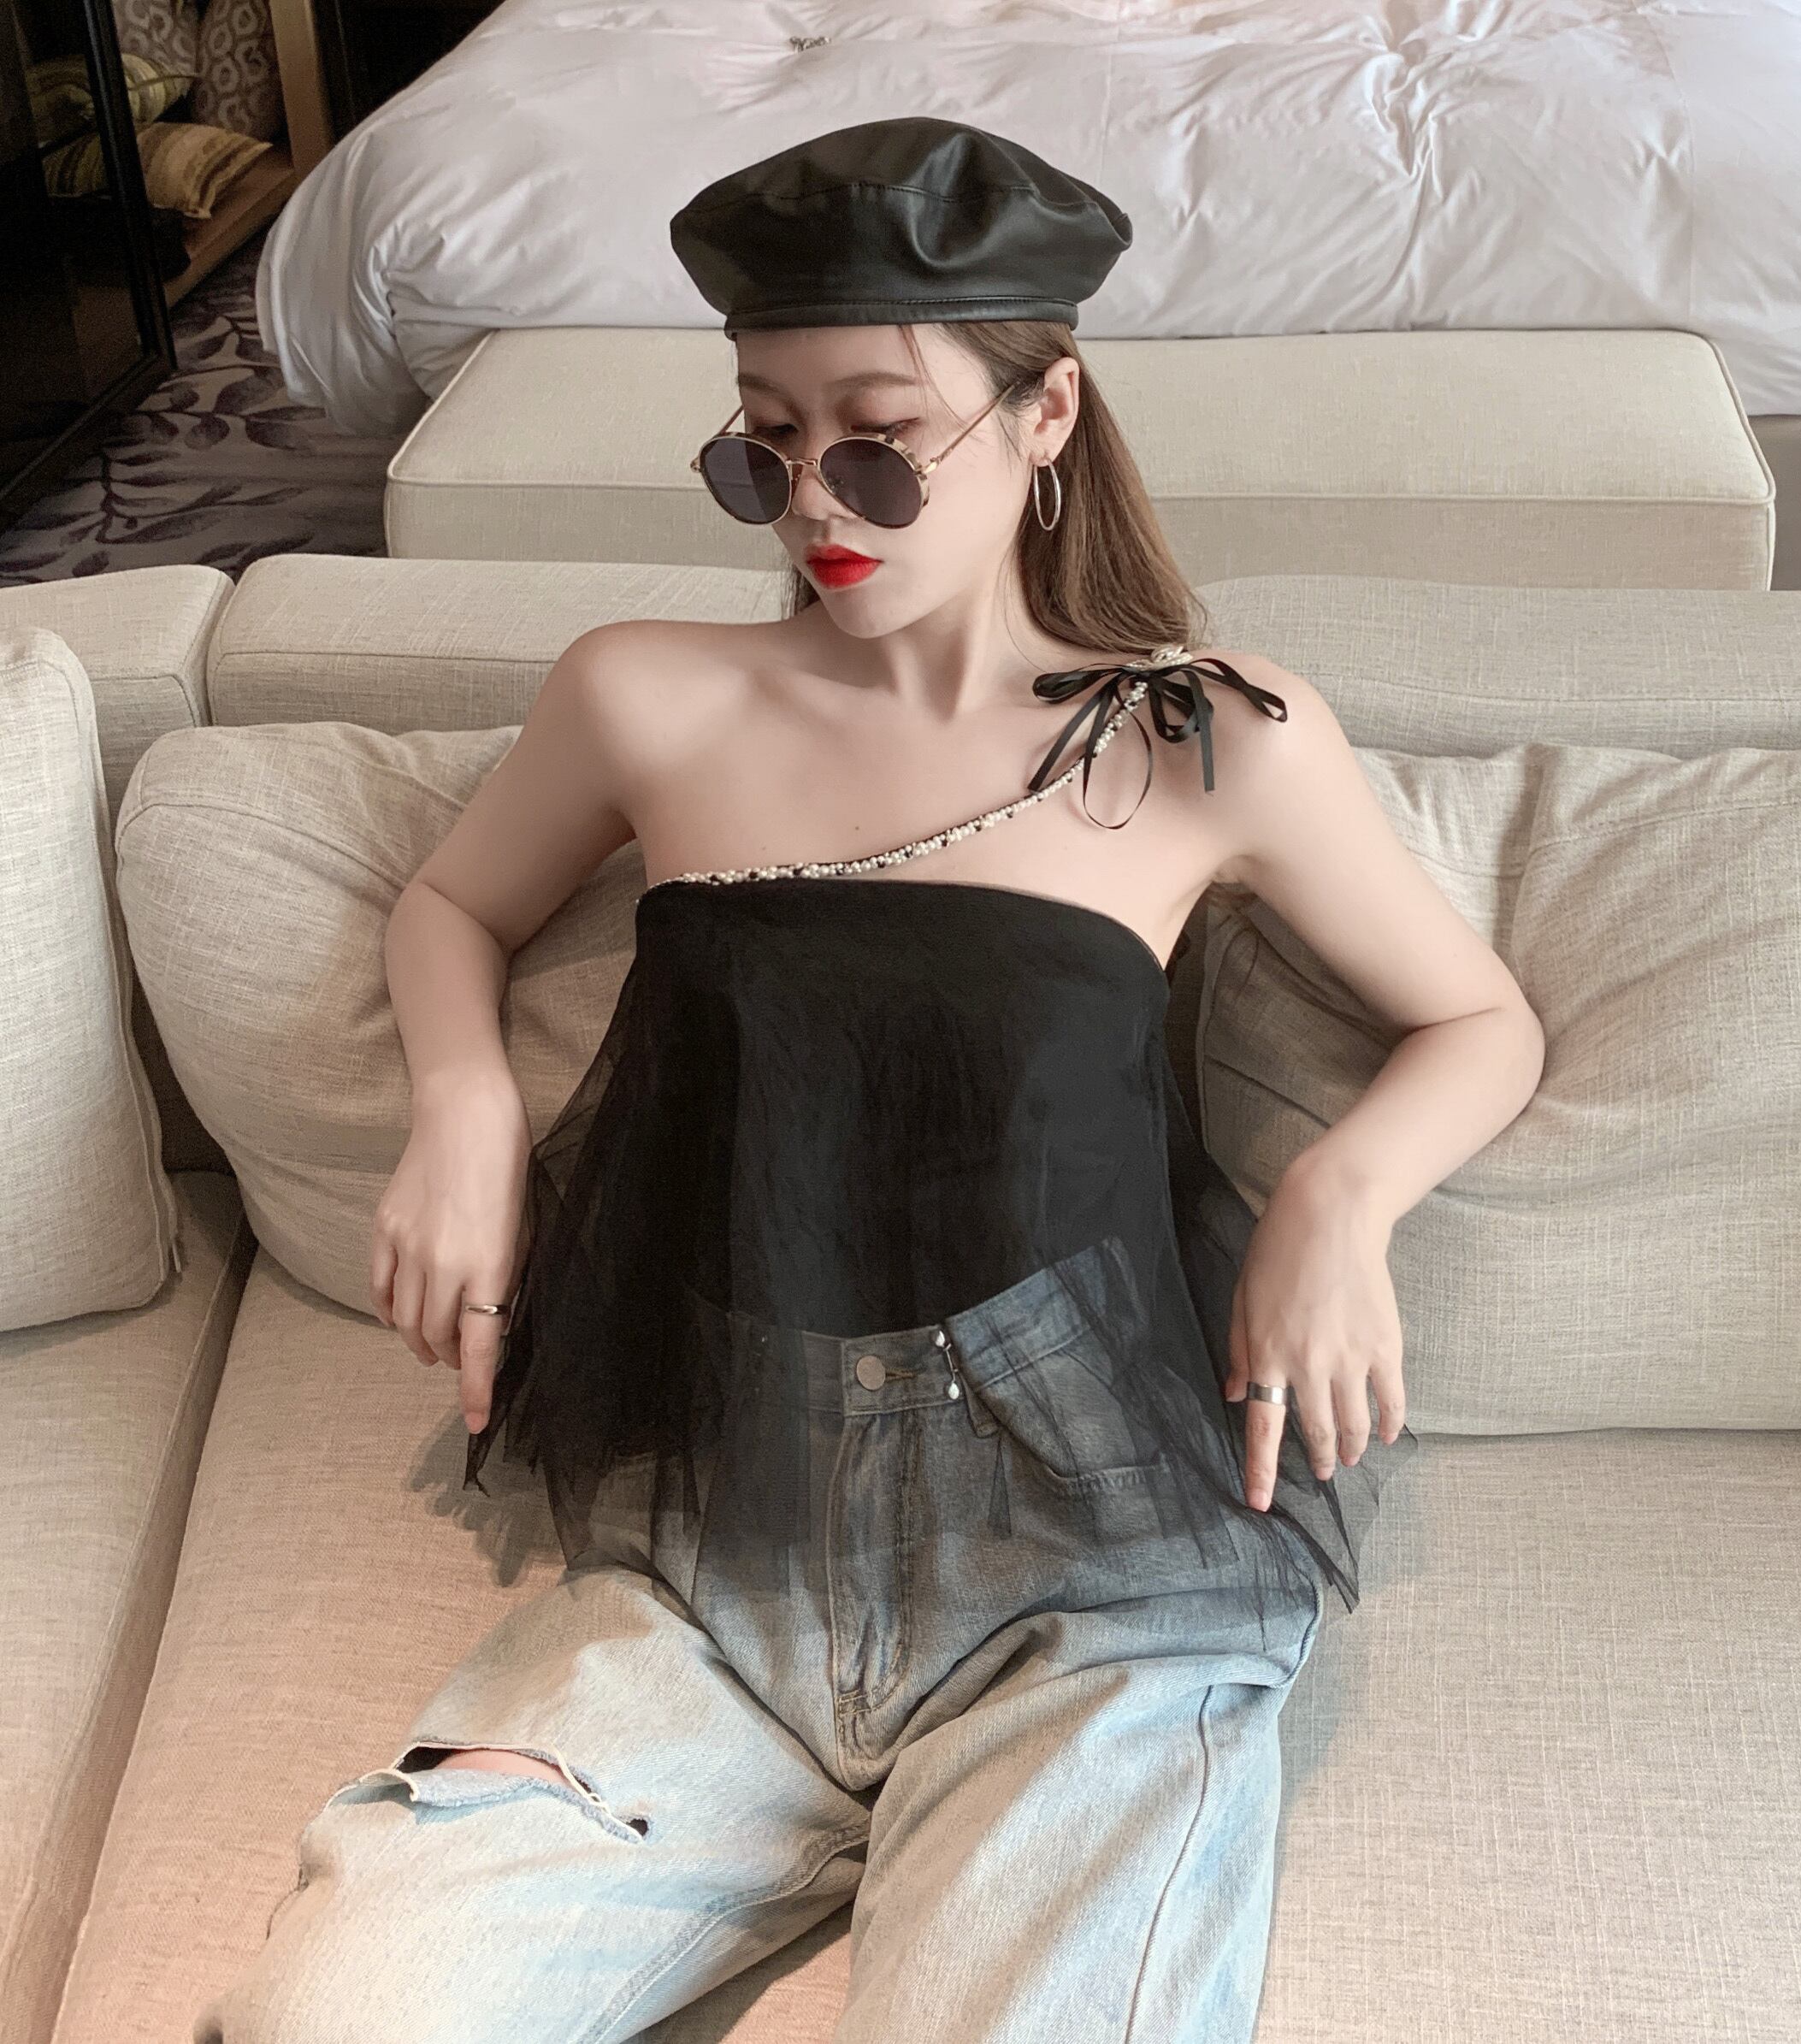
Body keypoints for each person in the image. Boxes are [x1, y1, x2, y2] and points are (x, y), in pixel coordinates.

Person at [197, 116, 1544, 2044]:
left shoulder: (1199, 738)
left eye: (880, 441)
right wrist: (466, 1112)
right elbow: (451, 902)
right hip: (711, 1565)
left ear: (1045, 409)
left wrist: (1337, 1197)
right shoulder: (646, 693)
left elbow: (1479, 1019)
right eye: (760, 444)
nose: (812, 504)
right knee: (335, 2017)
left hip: (1091, 1583)